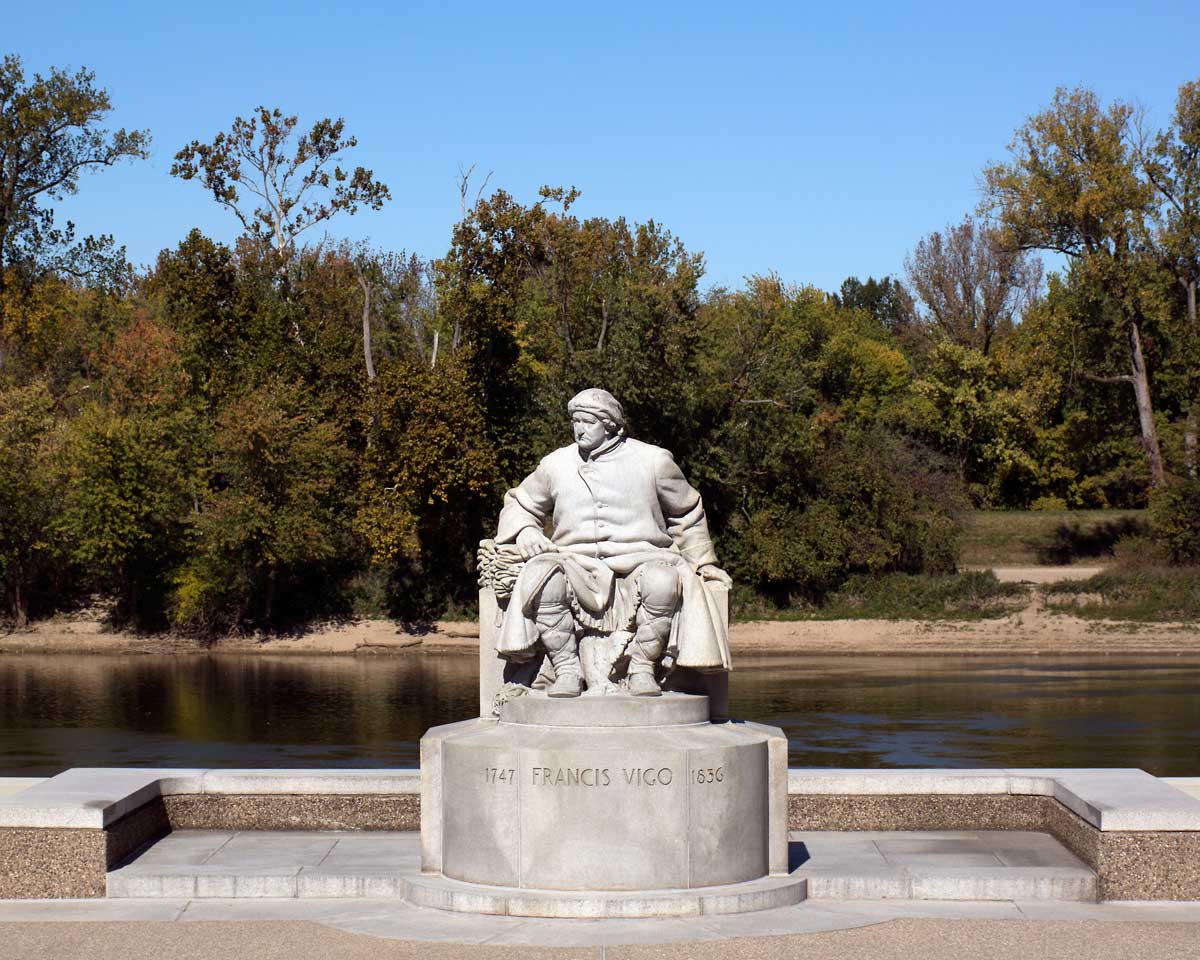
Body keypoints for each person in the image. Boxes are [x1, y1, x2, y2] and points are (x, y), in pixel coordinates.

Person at [493, 388, 731, 697]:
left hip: (641, 559)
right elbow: (520, 503)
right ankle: (566, 669)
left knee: (663, 580)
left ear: (609, 425)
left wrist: (704, 562)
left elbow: (686, 513)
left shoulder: (653, 460)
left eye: (588, 422)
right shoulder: (556, 464)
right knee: (542, 575)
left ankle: (642, 668)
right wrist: (526, 530)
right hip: (574, 563)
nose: (579, 429)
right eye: (575, 421)